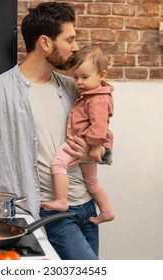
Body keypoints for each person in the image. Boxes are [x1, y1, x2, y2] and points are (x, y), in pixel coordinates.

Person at [0, 2, 111, 260]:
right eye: (70, 39)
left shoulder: (73, 88)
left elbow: (103, 136)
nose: (76, 46)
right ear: (45, 43)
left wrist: (97, 152)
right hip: (45, 212)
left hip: (86, 206)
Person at [40, 45, 115, 225]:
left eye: (84, 77)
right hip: (88, 144)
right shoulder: (91, 94)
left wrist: (96, 145)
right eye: (75, 77)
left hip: (81, 141)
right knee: (92, 181)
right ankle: (106, 211)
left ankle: (61, 200)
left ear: (102, 76)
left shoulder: (97, 98)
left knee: (58, 163)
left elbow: (99, 125)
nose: (79, 82)